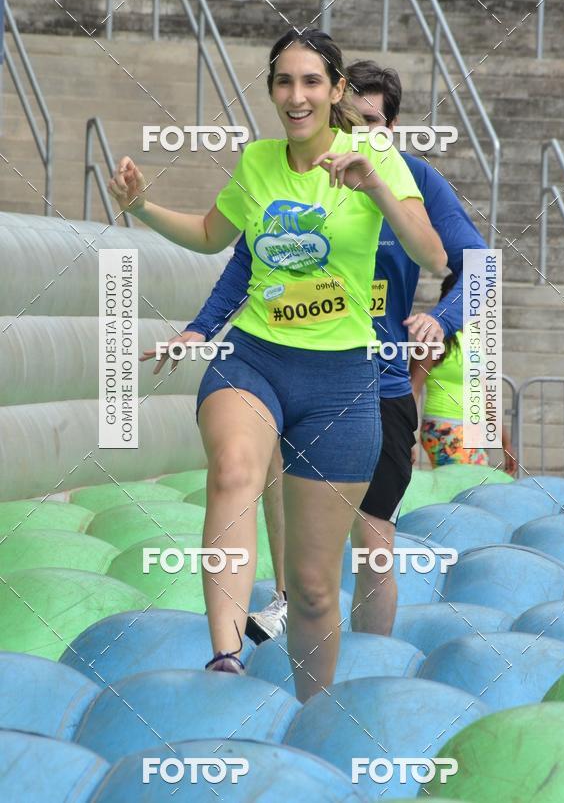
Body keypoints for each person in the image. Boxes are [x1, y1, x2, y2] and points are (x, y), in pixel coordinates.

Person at [109, 29, 446, 702]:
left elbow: (433, 255)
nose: (297, 95)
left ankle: (309, 715)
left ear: (336, 89)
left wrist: (375, 186)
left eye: (312, 81)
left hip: (341, 381)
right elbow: (212, 236)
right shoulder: (259, 161)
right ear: (270, 90)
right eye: (284, 81)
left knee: (314, 590)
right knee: (234, 469)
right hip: (254, 358)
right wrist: (141, 207)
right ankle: (226, 657)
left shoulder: (376, 154)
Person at [167, 59, 489, 643]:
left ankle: (369, 659)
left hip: (376, 384)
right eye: (350, 122)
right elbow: (245, 260)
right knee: (269, 490)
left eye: (372, 124)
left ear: (391, 129)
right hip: (291, 370)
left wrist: (439, 320)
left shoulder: (410, 180)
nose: (357, 136)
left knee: (372, 544)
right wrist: (201, 328)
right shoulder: (298, 171)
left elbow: (477, 267)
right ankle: (284, 608)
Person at [411, 273, 518, 475]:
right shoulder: (433, 335)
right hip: (444, 426)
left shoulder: (473, 335)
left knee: (469, 487)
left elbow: (487, 396)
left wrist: (506, 443)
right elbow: (413, 388)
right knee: (467, 485)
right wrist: (406, 436)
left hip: (472, 430)